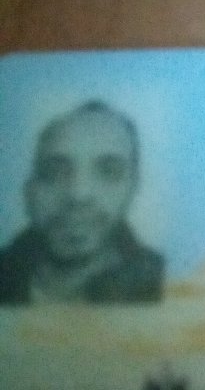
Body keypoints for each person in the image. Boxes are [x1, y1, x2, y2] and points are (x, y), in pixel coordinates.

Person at [0, 100, 164, 304]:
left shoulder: (165, 283)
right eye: (55, 172)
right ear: (29, 190)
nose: (78, 194)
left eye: (109, 172)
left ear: (132, 187)